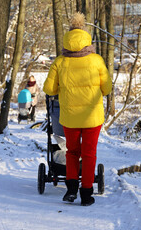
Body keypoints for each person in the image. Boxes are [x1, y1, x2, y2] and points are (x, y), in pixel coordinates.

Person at [43, 12, 112, 206]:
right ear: (86, 39)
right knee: (89, 154)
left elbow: (49, 89)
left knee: (72, 152)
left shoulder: (60, 62)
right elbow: (107, 89)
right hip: (92, 117)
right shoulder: (97, 60)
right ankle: (87, 194)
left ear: (67, 40)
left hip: (70, 118)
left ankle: (71, 190)